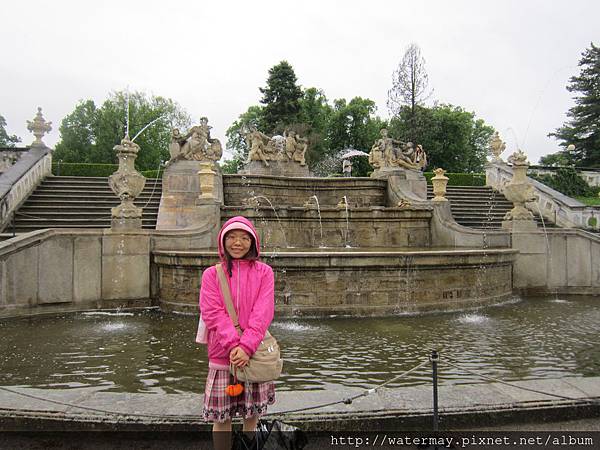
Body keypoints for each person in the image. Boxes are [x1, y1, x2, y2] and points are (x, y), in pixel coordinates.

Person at [199, 216, 276, 449]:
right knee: (222, 417)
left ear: (253, 242)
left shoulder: (265, 272)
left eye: (244, 238)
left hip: (253, 354)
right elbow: (212, 312)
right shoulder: (212, 274)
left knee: (251, 416)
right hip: (224, 354)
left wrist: (246, 346)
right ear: (223, 241)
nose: (237, 243)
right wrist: (234, 346)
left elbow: (263, 312)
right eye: (231, 237)